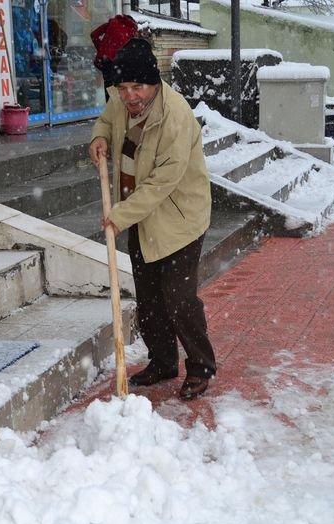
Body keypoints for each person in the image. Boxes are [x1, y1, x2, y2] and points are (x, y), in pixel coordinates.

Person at [88, 38, 216, 400]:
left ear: (154, 83)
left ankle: (201, 366)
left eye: (138, 87)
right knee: (148, 298)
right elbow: (105, 121)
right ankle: (162, 362)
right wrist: (99, 138)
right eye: (123, 88)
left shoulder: (175, 117)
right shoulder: (120, 102)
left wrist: (118, 216)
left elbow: (163, 182)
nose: (130, 96)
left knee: (178, 298)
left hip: (179, 219)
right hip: (140, 215)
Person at [91, 15, 138, 99]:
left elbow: (94, 35)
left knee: (110, 91)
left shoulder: (112, 23)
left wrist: (102, 49)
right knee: (122, 93)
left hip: (107, 61)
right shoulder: (132, 29)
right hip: (121, 64)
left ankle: (112, 108)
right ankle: (118, 109)